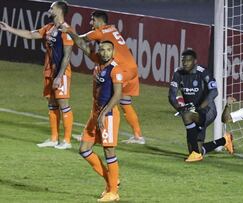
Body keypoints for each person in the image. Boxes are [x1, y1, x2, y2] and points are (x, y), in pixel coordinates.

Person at [61, 10, 145, 144]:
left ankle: (92, 134)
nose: (90, 23)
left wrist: (68, 30)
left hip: (120, 69)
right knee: (125, 102)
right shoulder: (112, 28)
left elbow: (81, 40)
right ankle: (138, 135)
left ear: (99, 21)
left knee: (104, 99)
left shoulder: (99, 32)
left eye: (92, 20)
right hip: (132, 68)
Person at [0, 1, 74, 149]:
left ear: (59, 10)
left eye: (52, 7)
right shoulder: (49, 28)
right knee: (52, 104)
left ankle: (66, 141)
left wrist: (60, 76)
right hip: (49, 71)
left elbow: (67, 55)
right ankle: (54, 139)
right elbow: (29, 34)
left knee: (63, 104)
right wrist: (9, 29)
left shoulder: (66, 30)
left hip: (61, 72)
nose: (49, 9)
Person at [168, 49, 234, 162]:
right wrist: (179, 108)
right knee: (197, 148)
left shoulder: (203, 72)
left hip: (208, 110)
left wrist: (199, 109)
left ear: (195, 62)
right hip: (193, 111)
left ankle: (196, 154)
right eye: (183, 60)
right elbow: (172, 96)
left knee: (187, 116)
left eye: (188, 60)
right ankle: (224, 140)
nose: (185, 63)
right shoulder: (178, 73)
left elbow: (214, 92)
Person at [78, 40, 122, 202]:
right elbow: (82, 45)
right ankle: (111, 182)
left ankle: (113, 192)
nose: (105, 53)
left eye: (108, 50)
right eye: (102, 50)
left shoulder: (115, 70)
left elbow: (117, 95)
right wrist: (68, 30)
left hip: (108, 115)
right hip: (95, 114)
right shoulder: (98, 65)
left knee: (109, 151)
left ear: (113, 51)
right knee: (84, 149)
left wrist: (103, 113)